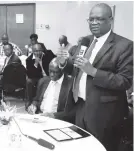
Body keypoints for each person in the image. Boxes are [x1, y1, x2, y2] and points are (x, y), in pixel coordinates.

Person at [57, 3, 133, 151]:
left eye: (99, 19)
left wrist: (93, 71)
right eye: (91, 19)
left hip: (104, 113)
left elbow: (124, 81)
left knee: (100, 147)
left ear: (110, 20)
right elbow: (76, 69)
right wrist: (64, 63)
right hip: (79, 106)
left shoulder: (124, 45)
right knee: (79, 145)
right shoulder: (85, 41)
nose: (94, 23)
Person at [26, 58, 75, 123]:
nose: (51, 74)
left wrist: (53, 115)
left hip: (56, 120)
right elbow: (37, 100)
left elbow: (72, 111)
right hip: (39, 116)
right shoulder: (43, 81)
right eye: (50, 71)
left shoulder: (70, 85)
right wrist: (33, 106)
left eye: (55, 72)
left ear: (62, 71)